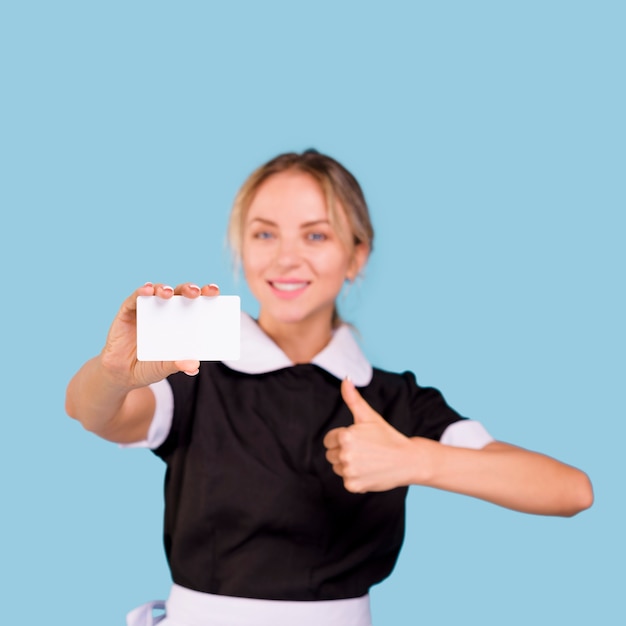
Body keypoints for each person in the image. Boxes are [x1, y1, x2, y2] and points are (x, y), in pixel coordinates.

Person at [65, 149, 593, 626]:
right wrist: (113, 374)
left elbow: (572, 491)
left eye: (315, 235)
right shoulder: (194, 373)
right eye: (264, 233)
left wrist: (415, 459)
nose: (286, 258)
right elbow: (93, 412)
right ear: (241, 248)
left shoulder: (395, 403)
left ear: (357, 256)